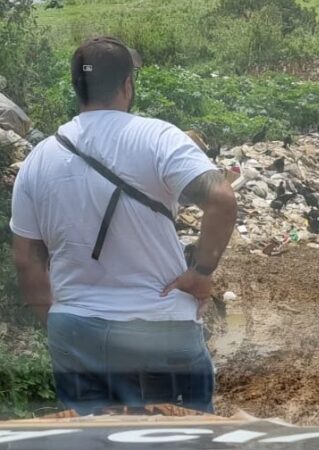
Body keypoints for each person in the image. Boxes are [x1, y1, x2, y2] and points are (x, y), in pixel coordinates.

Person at [10, 37, 237, 415]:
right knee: (184, 439)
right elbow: (222, 199)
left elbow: (27, 260)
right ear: (128, 85)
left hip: (75, 330)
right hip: (158, 328)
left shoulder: (39, 158)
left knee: (89, 442)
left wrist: (59, 320)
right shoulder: (157, 138)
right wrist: (201, 273)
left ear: (75, 87)